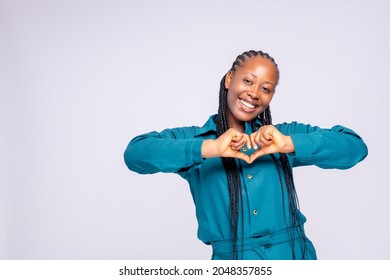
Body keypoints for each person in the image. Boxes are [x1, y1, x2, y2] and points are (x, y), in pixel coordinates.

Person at [124, 50, 368, 260]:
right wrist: (212, 149)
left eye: (266, 89)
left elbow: (354, 148)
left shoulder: (279, 137)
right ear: (230, 78)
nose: (254, 94)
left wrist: (287, 144)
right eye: (248, 81)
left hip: (294, 257)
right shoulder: (196, 139)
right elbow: (135, 154)